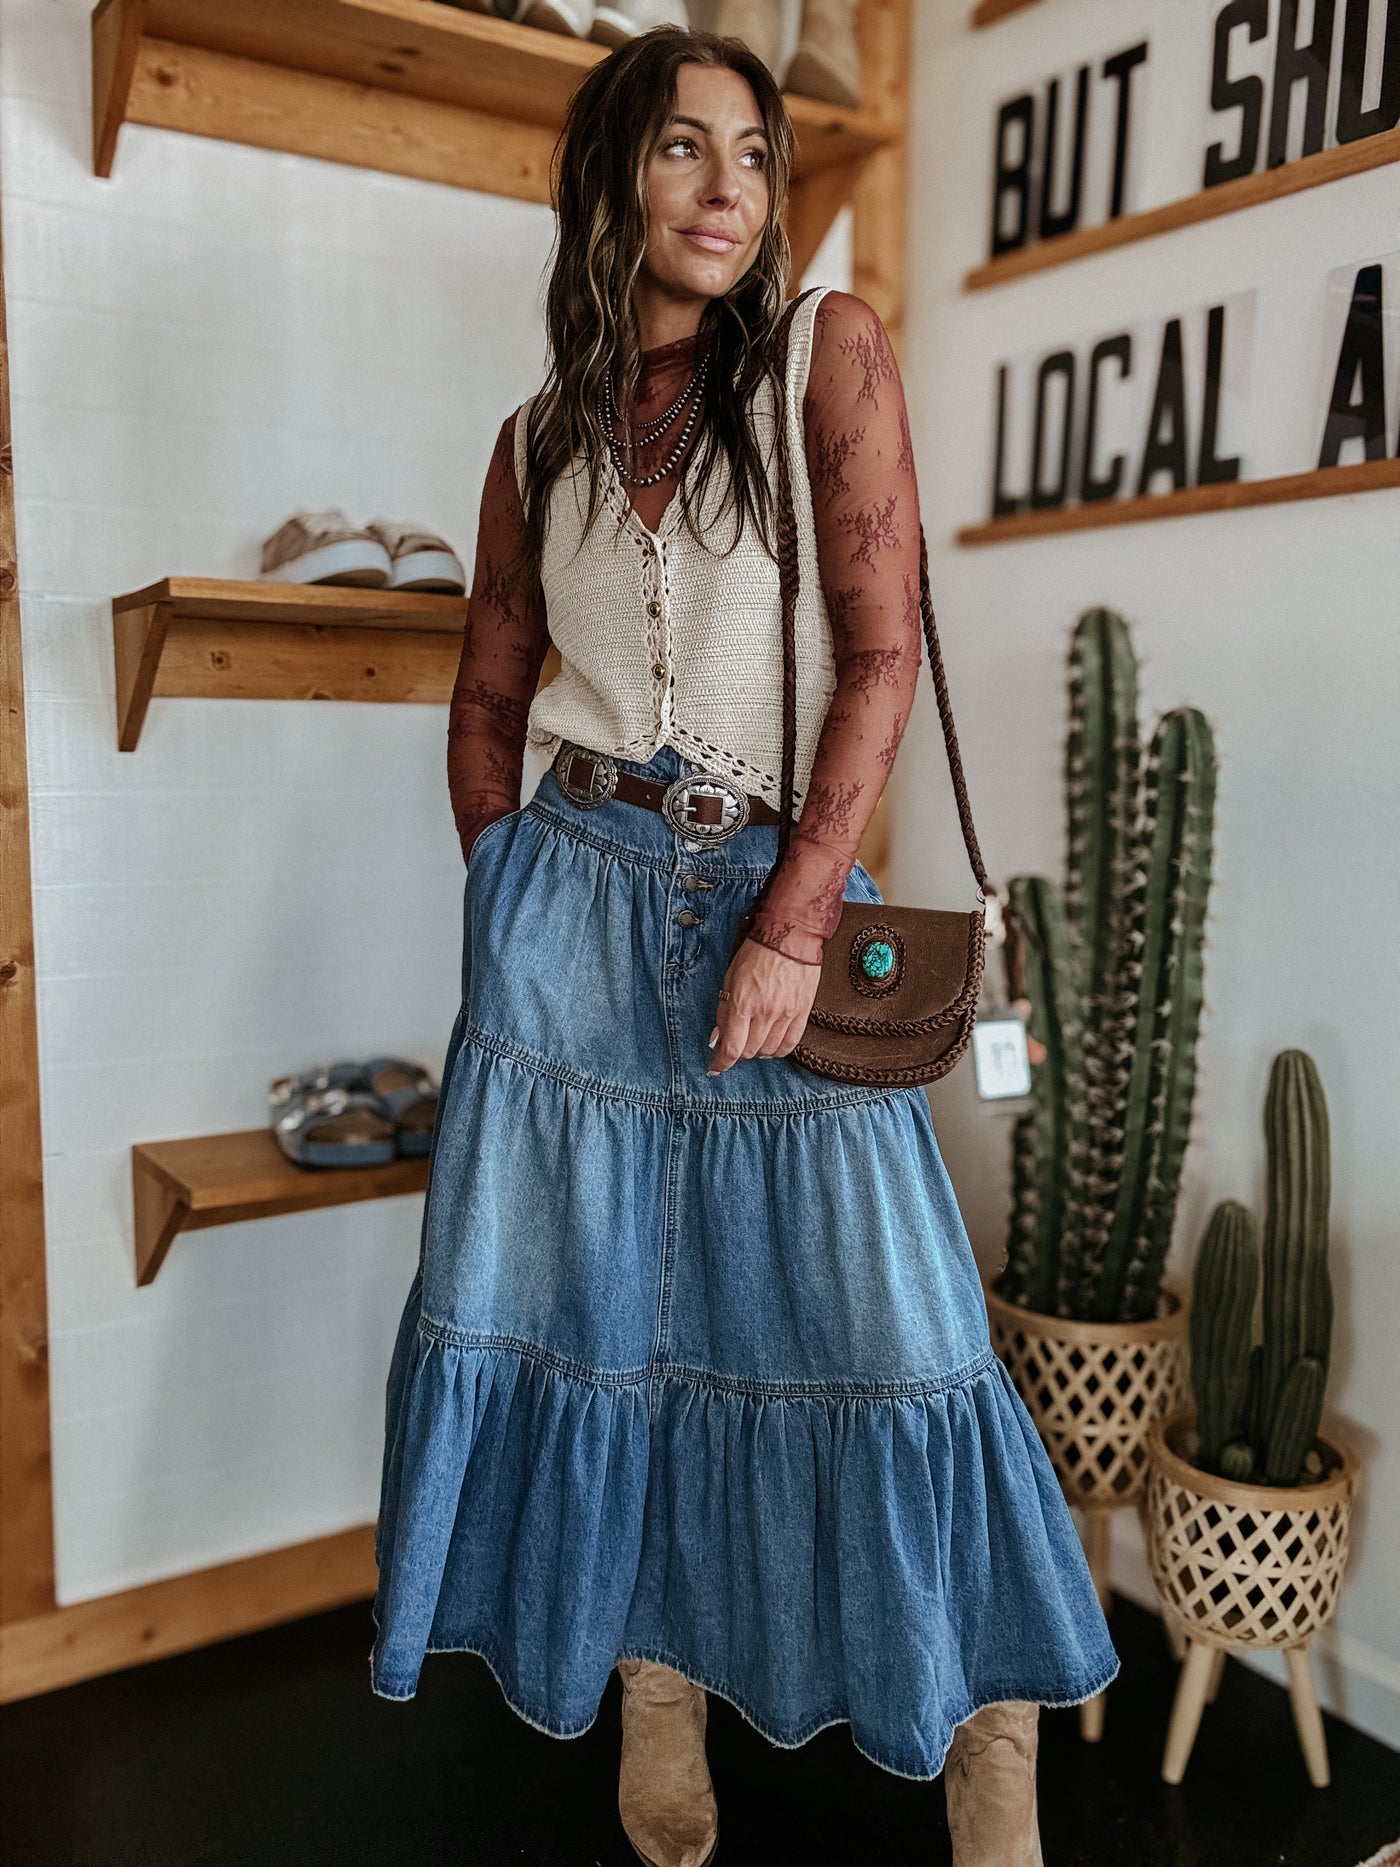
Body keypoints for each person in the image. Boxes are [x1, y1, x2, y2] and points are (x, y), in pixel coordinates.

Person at [369, 25, 1118, 1867]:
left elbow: (878, 659)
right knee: (596, 1326)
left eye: (756, 156)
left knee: (897, 1332)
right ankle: (655, 1690)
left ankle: (988, 1728)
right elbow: (484, 695)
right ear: (611, 176)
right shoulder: (537, 433)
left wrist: (793, 924)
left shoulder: (820, 359)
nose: (728, 189)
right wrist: (507, 892)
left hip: (767, 885)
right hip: (572, 905)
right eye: (685, 150)